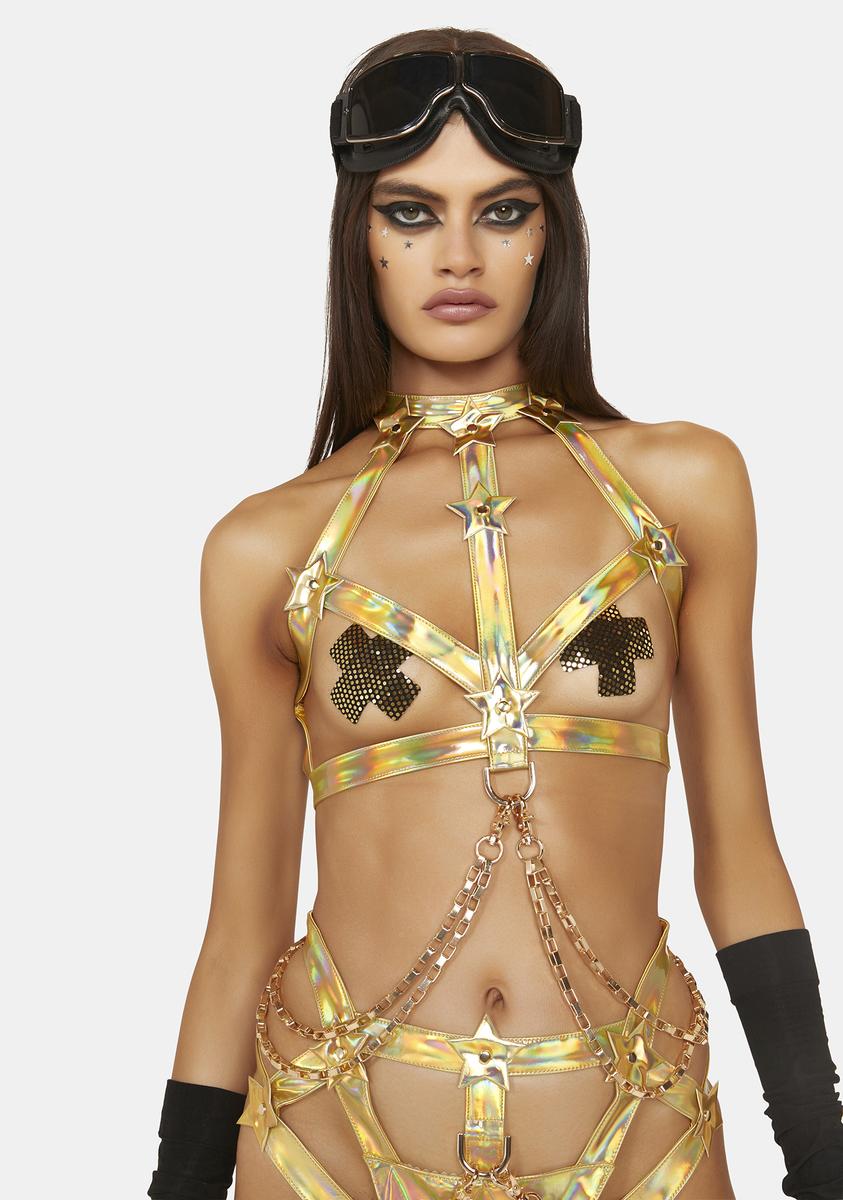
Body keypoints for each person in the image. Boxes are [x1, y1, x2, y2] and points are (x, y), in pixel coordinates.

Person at [147, 26, 843, 1200]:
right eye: (412, 214)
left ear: (550, 233)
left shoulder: (683, 488)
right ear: (359, 237)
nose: (459, 255)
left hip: (643, 1132)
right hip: (324, 1142)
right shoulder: (264, 548)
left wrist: (821, 1154)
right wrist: (177, 1184)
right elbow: (242, 925)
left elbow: (740, 853)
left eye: (503, 211)